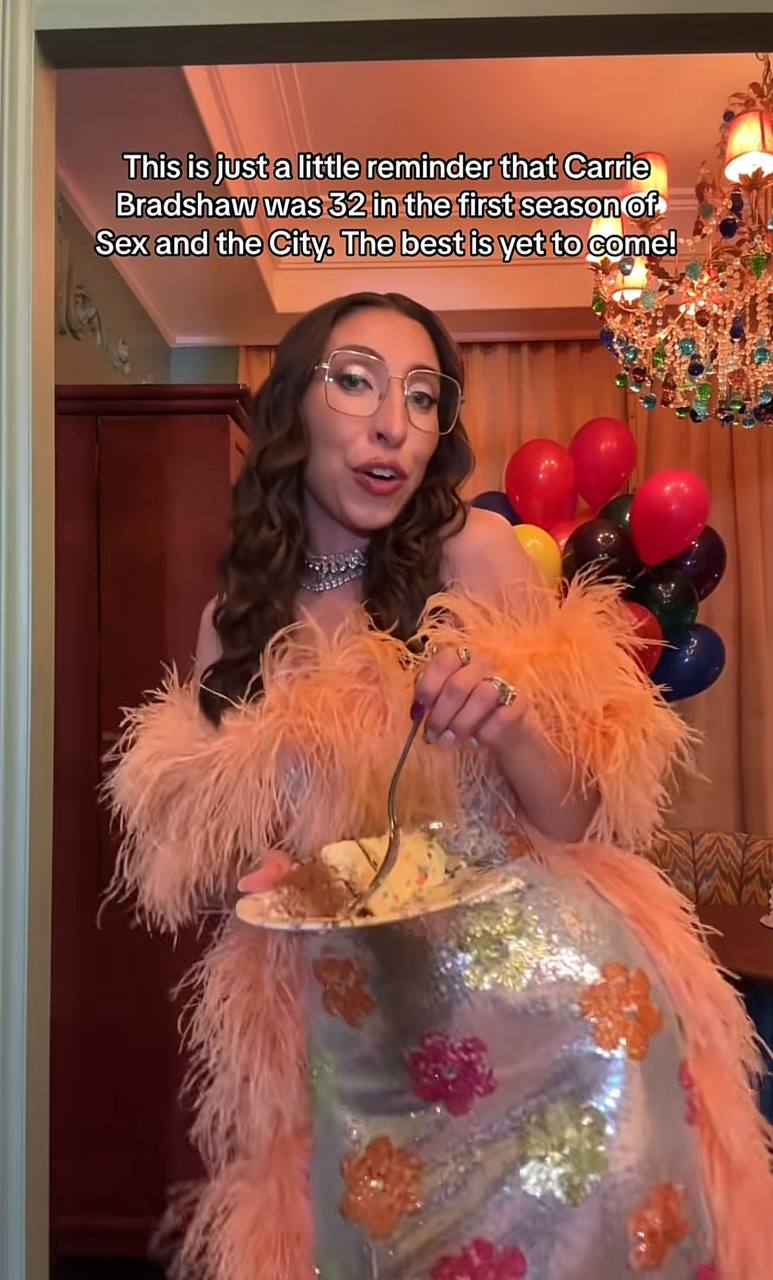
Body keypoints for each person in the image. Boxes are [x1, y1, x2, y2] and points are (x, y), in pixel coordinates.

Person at [106, 291, 773, 1280]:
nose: (394, 422)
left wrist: (507, 716)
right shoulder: (231, 623)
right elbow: (224, 866)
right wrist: (261, 867)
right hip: (360, 1035)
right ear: (292, 409)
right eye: (357, 382)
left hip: (552, 1023)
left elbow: (574, 814)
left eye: (422, 396)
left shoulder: (475, 553)